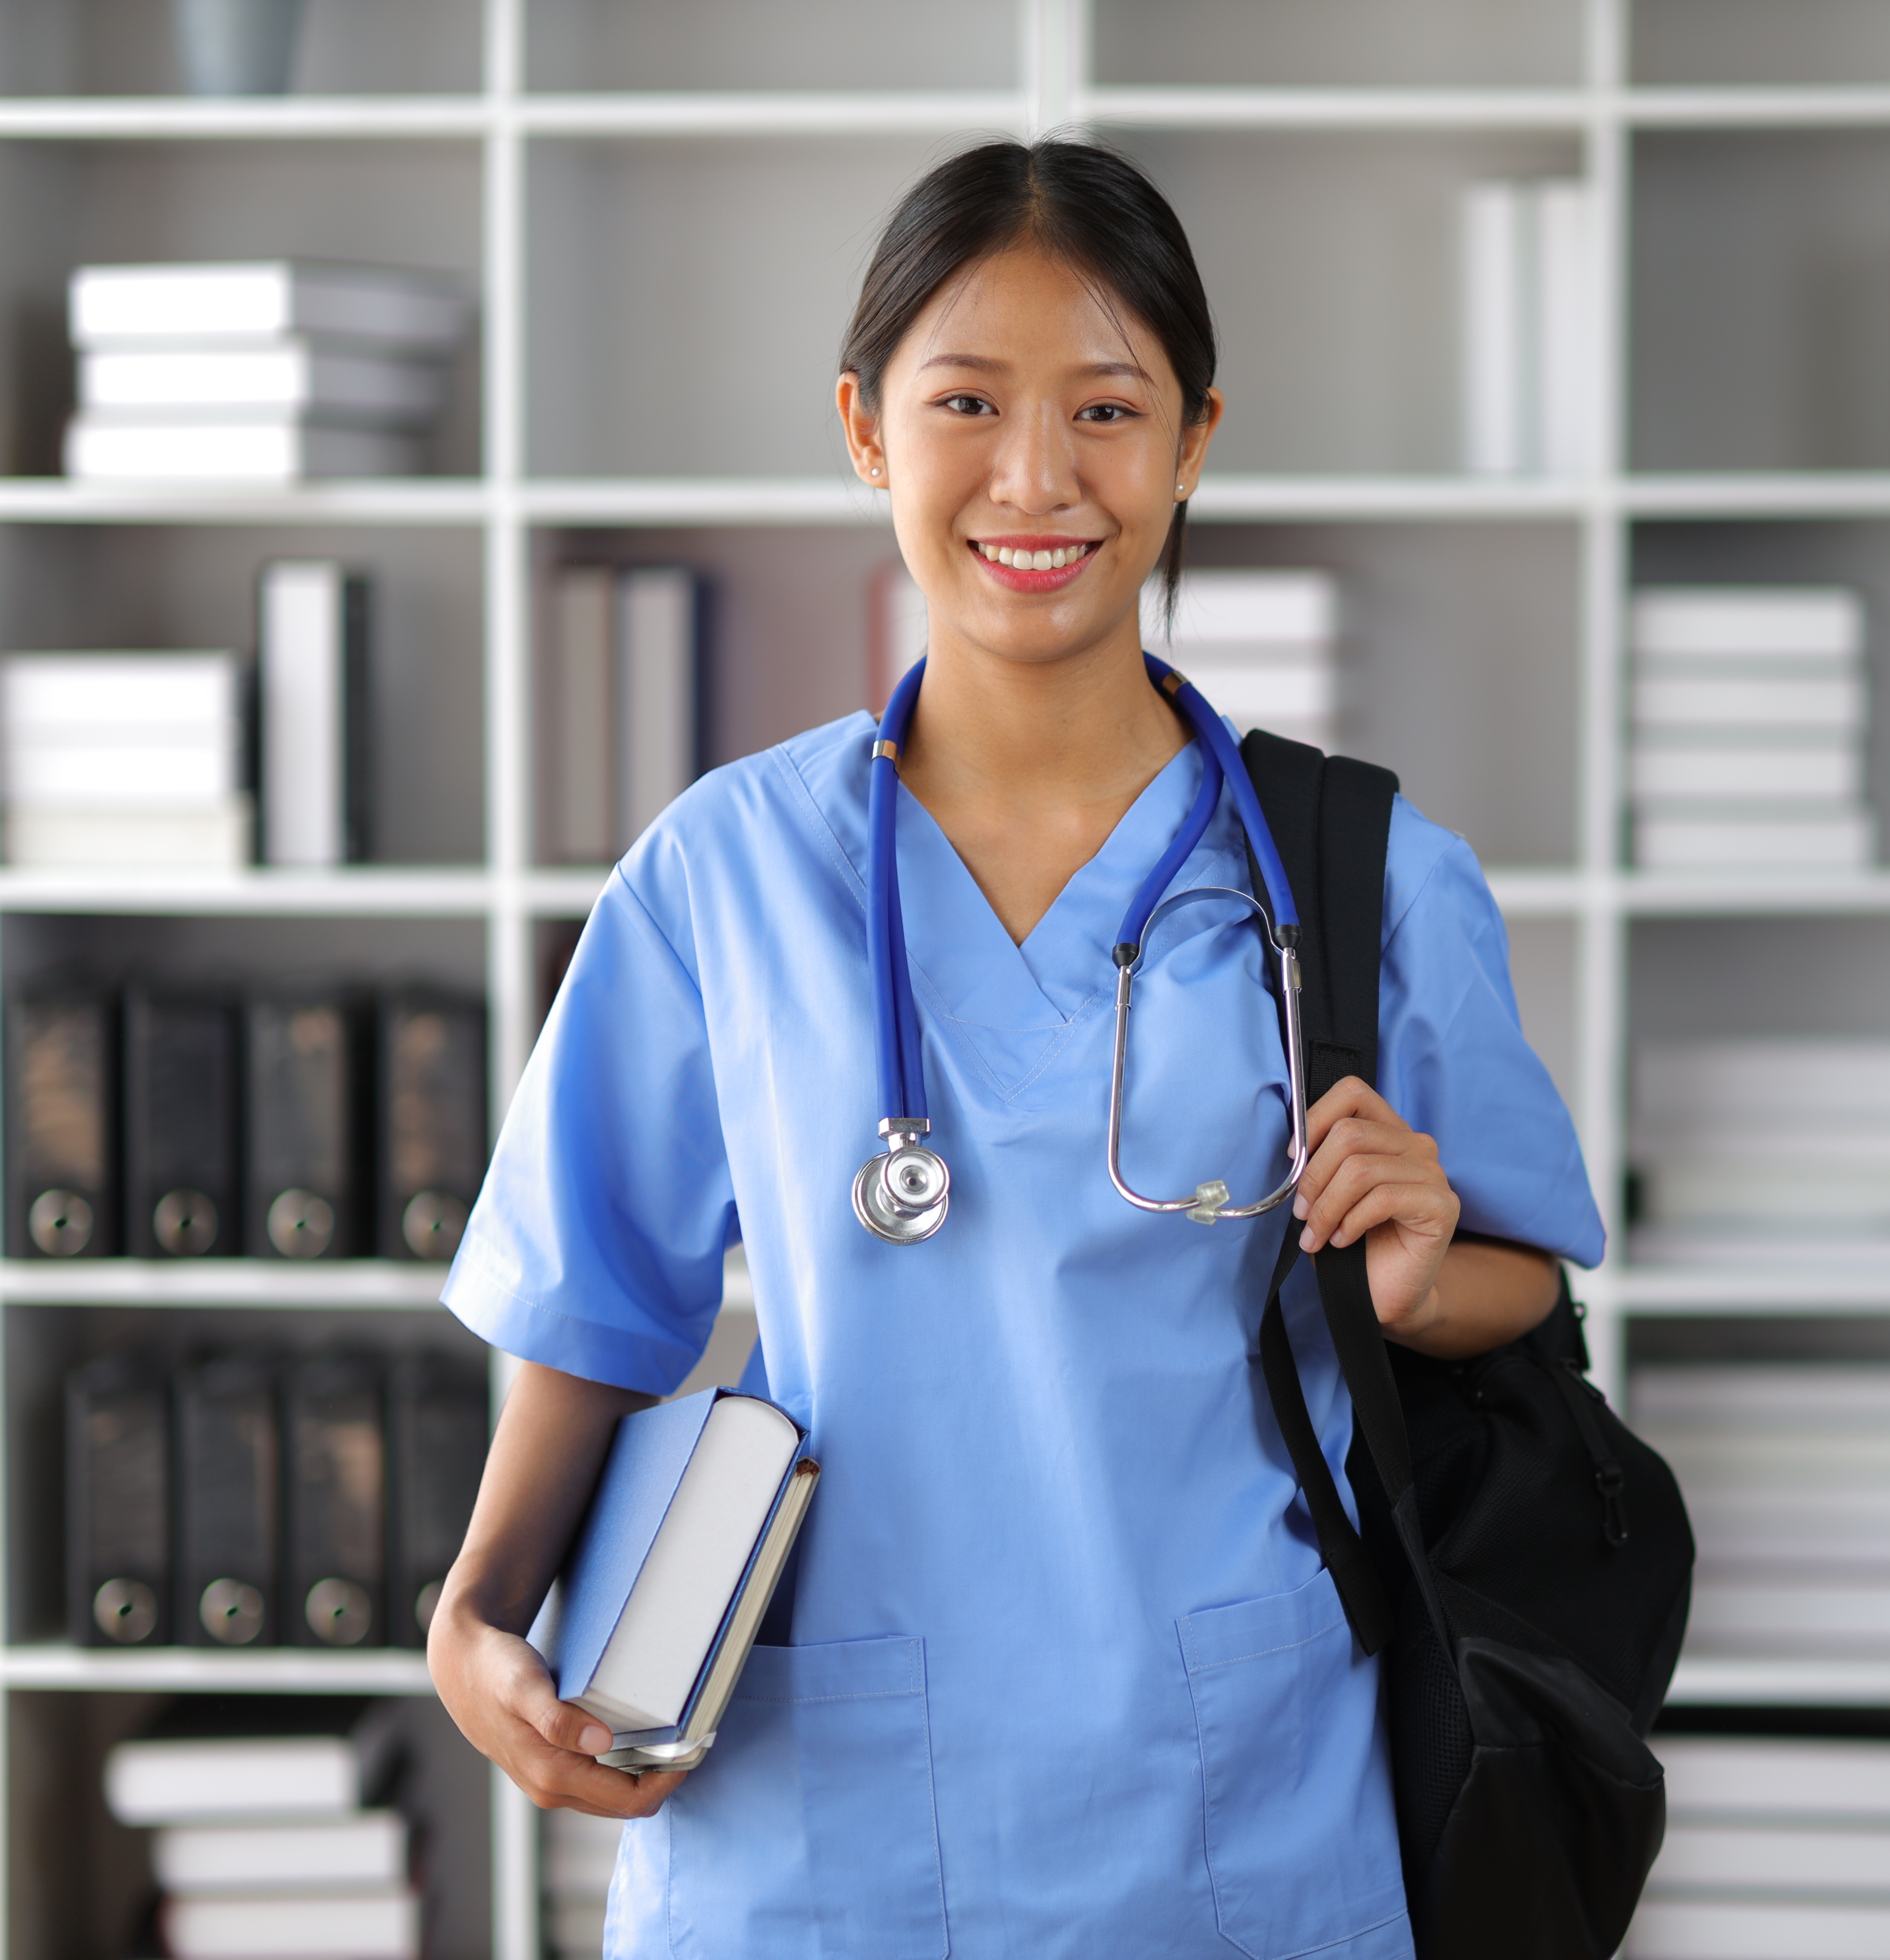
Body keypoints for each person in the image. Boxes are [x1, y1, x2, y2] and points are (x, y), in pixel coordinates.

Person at [426, 137, 1601, 1960]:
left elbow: (1524, 1276)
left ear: (1195, 440)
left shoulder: (1362, 876)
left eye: (1107, 410)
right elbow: (590, 1310)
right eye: (967, 401)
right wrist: (477, 1615)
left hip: (1231, 1798)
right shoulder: (723, 873)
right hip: (817, 1827)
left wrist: (1426, 1274)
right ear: (865, 429)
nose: (1036, 478)